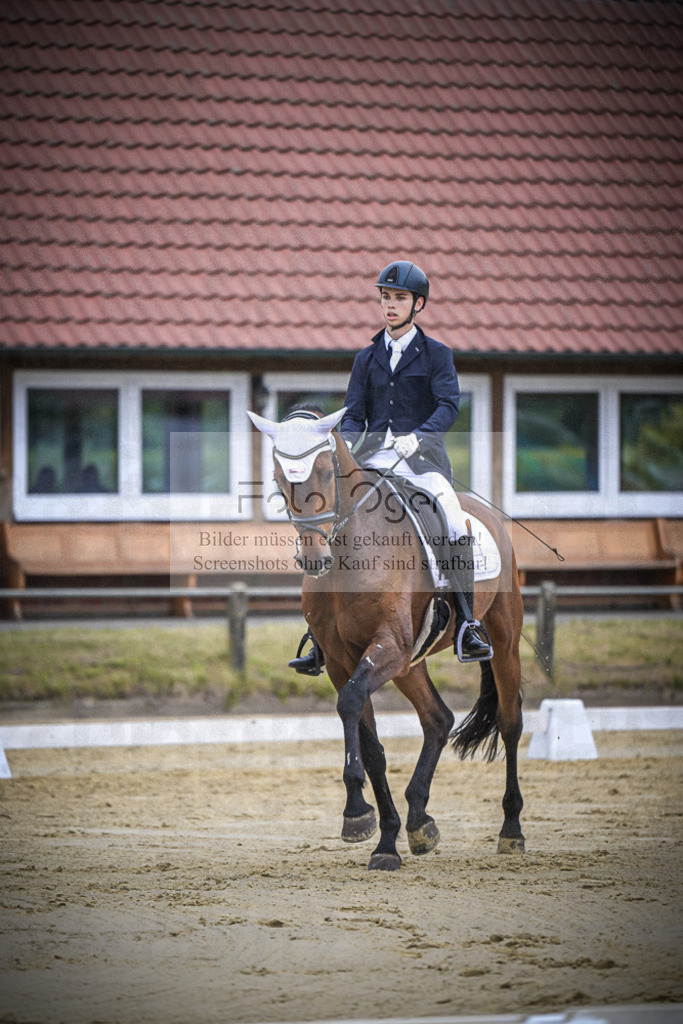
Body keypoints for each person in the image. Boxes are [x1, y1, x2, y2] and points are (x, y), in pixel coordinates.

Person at [289, 259, 492, 674]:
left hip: (422, 461)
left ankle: (468, 623)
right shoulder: (367, 357)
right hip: (373, 459)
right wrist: (340, 446)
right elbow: (354, 414)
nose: (390, 305)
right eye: (386, 297)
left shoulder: (437, 354)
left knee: (454, 523)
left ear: (418, 304)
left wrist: (419, 435)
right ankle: (320, 634)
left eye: (399, 298)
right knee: (333, 521)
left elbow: (449, 406)